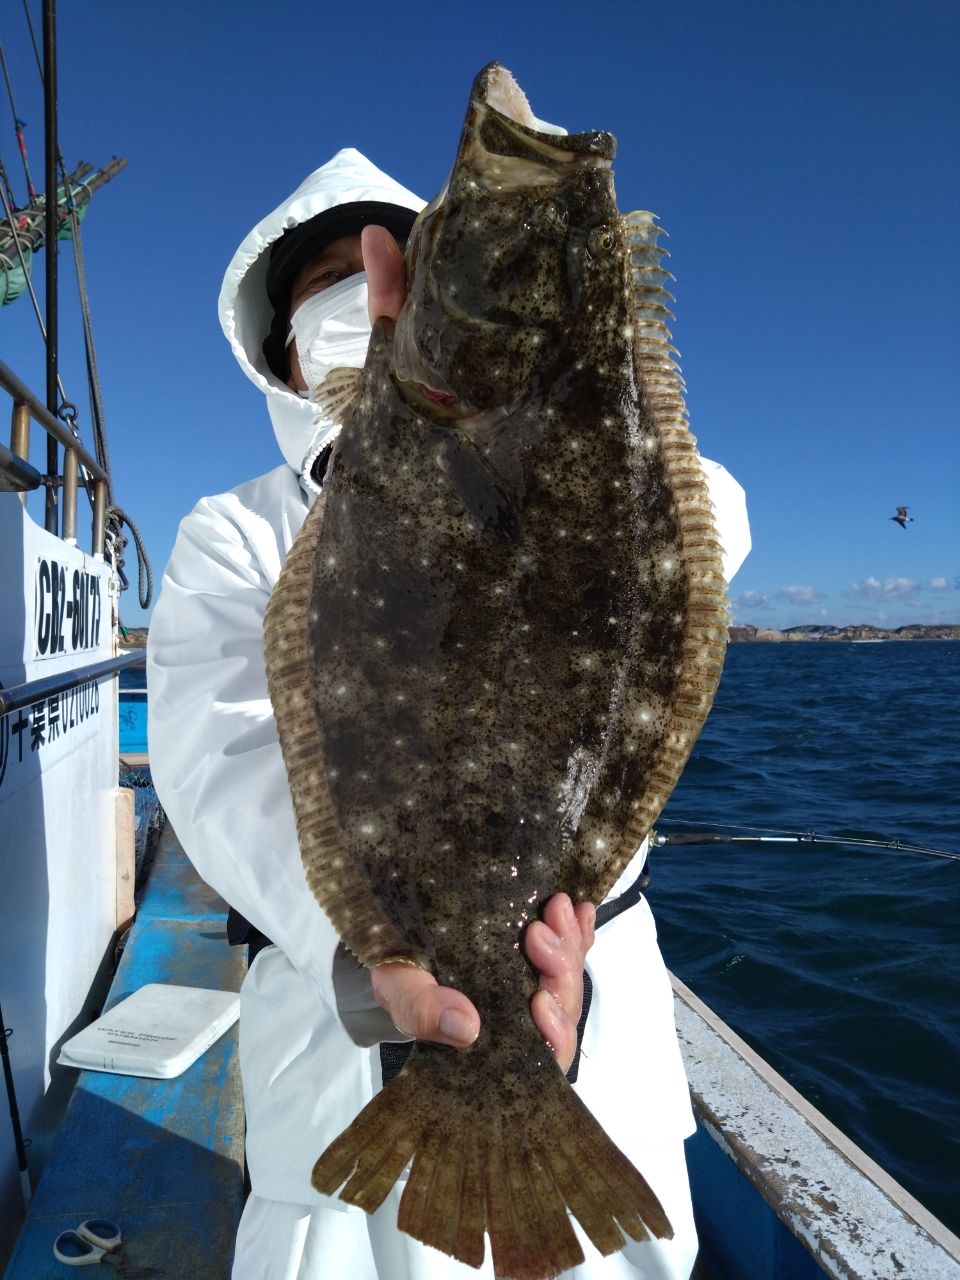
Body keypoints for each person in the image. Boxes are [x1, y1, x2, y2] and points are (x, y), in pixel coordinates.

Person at [147, 147, 750, 1280]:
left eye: (374, 267)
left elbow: (709, 517)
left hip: (589, 1025)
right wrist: (376, 942)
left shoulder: (566, 456)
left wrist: (567, 344)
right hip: (340, 1060)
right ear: (279, 353)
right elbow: (215, 754)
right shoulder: (236, 527)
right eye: (314, 281)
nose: (345, 291)